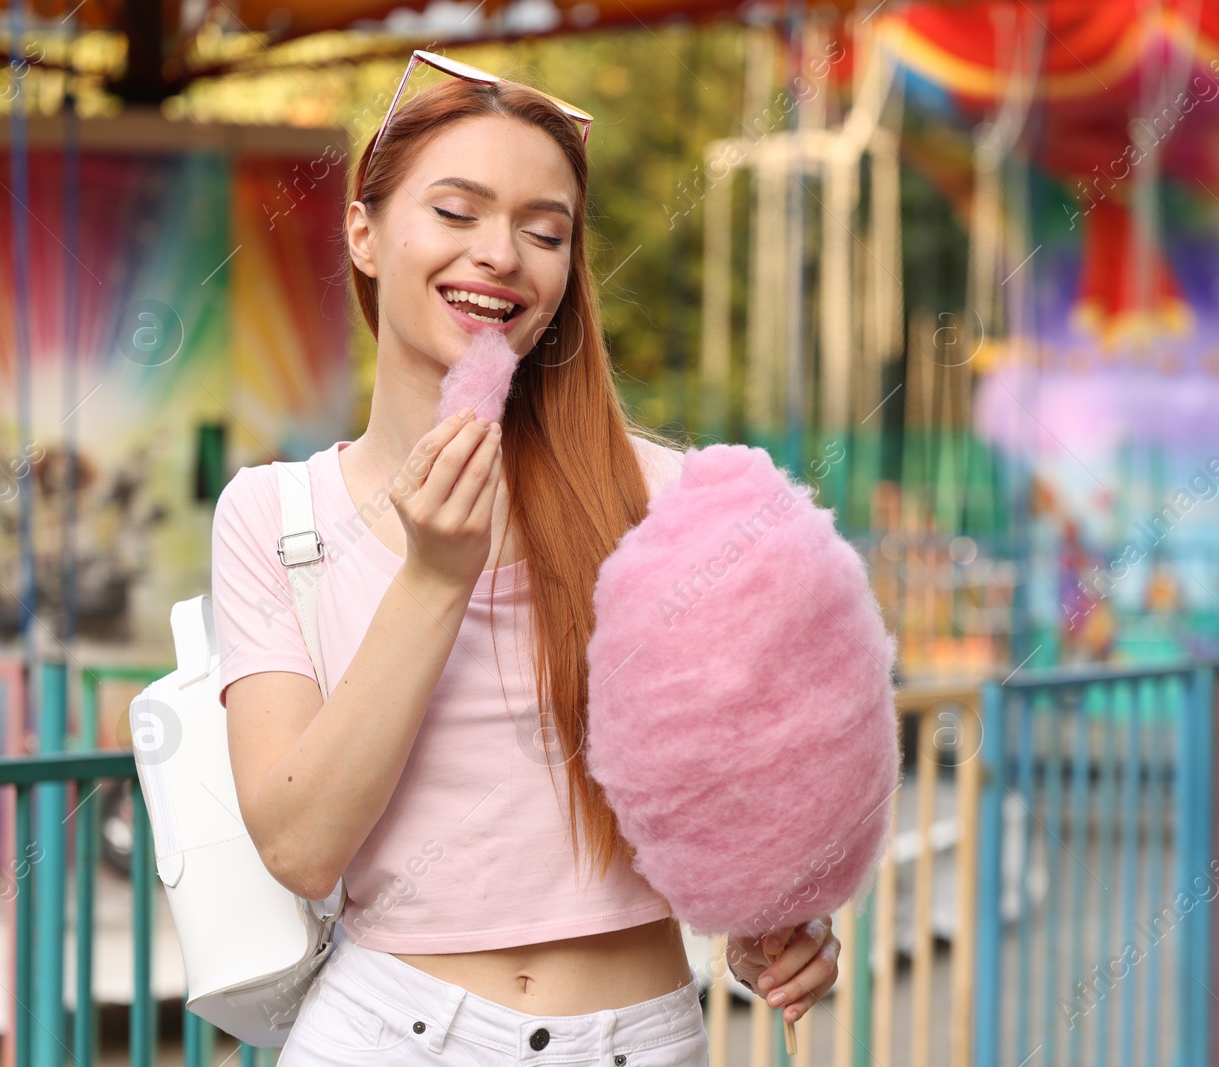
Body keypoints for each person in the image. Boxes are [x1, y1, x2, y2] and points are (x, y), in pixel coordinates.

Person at [211, 58, 841, 1065]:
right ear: (364, 234)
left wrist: (770, 916)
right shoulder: (275, 513)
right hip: (383, 1033)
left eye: (545, 232)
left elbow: (748, 794)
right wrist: (432, 577)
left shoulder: (672, 501)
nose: (500, 254)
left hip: (640, 1037)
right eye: (456, 212)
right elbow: (300, 843)